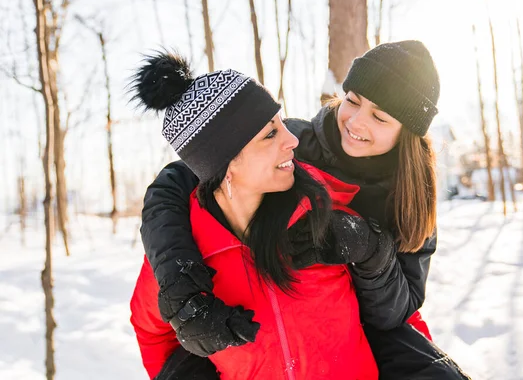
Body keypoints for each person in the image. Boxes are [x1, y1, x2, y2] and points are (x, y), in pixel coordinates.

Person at [139, 42, 471, 379]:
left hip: (364, 341)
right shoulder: (295, 142)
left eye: (380, 116)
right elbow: (181, 180)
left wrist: (372, 252)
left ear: (407, 132)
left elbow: (398, 315)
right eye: (352, 100)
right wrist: (176, 276)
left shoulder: (410, 196)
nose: (355, 121)